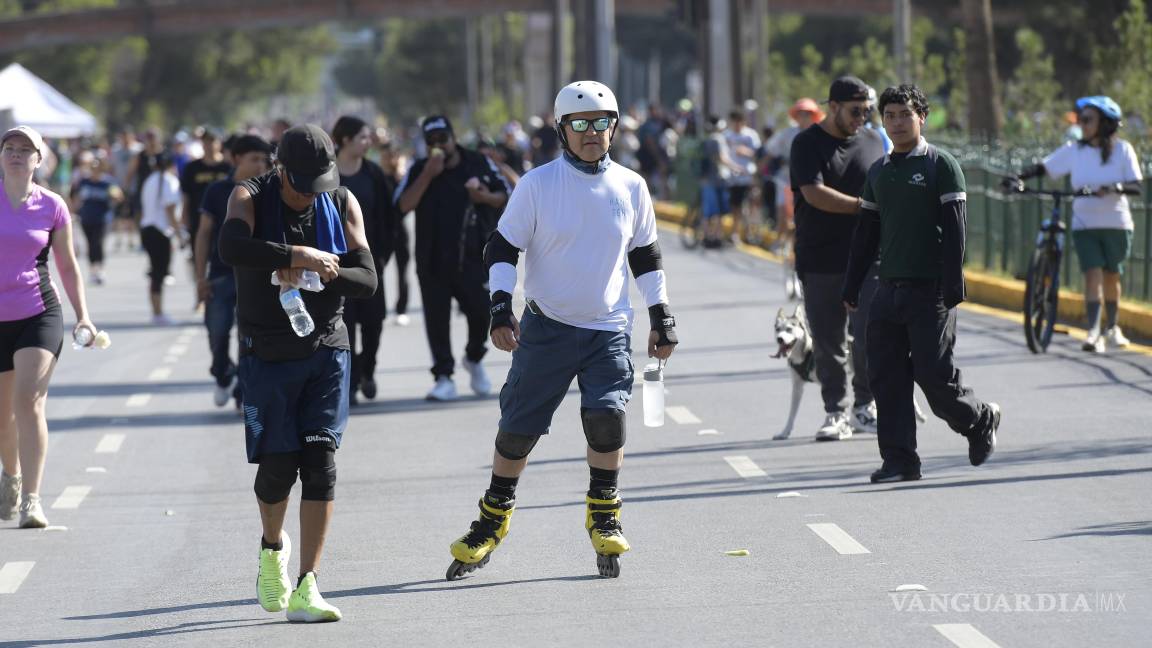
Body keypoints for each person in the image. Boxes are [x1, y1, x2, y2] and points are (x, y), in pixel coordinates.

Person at [444, 80, 679, 581]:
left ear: (614, 127)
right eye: (581, 124)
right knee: (517, 431)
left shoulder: (631, 185)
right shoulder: (537, 185)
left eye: (602, 123)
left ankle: (604, 514)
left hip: (608, 329)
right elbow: (503, 249)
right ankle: (492, 520)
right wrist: (500, 308)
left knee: (606, 420)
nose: (593, 133)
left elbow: (646, 256)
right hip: (547, 328)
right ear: (562, 130)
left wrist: (662, 315)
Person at [218, 124, 377, 622]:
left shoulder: (342, 201)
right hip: (266, 352)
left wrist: (323, 271)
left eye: (319, 182)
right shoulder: (250, 194)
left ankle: (309, 583)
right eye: (301, 183)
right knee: (277, 468)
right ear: (280, 169)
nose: (310, 194)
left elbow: (367, 280)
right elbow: (232, 248)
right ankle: (272, 550)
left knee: (320, 461)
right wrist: (291, 256)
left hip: (326, 347)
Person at [842, 85, 1001, 483]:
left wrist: (953, 283)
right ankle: (900, 460)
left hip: (930, 291)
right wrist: (852, 285)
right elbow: (866, 232)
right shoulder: (879, 171)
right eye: (889, 115)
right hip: (887, 289)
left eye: (904, 115)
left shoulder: (940, 165)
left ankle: (979, 418)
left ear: (921, 117)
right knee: (886, 376)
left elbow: (956, 228)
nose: (896, 122)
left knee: (934, 378)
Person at [1, 126, 98, 528]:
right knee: (2, 413)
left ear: (40, 160)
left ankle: (33, 500)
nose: (17, 154)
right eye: (10, 148)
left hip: (38, 313)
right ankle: (12, 478)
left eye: (27, 150)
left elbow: (67, 265)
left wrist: (84, 315)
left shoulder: (52, 206)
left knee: (28, 402)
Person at [789, 76, 887, 441]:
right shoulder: (807, 143)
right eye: (855, 110)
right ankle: (836, 411)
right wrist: (864, 208)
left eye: (867, 110)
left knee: (868, 334)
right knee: (829, 342)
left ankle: (865, 405)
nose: (862, 117)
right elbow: (814, 194)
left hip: (869, 257)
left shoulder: (875, 140)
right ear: (833, 107)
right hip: (821, 258)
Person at [1005, 96, 1142, 353]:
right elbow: (1044, 168)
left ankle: (1111, 326)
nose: (1082, 124)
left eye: (1088, 119)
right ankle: (1093, 332)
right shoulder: (1074, 150)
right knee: (1092, 274)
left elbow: (1136, 185)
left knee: (1112, 275)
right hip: (1084, 224)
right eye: (1081, 119)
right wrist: (1017, 176)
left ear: (1105, 124)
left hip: (1117, 224)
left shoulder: (1123, 150)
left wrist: (1114, 187)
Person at [396, 115, 510, 401]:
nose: (439, 147)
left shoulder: (477, 162)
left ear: (453, 138)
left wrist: (483, 197)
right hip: (432, 258)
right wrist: (427, 175)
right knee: (437, 320)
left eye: (443, 140)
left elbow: (506, 195)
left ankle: (474, 356)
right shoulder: (420, 168)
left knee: (481, 312)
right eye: (431, 142)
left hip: (472, 256)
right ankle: (444, 376)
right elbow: (402, 205)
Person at [195, 134, 272, 409]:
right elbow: (203, 234)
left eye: (265, 159)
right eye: (255, 159)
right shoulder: (217, 190)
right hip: (220, 275)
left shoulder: (269, 191)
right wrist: (200, 277)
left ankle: (242, 388)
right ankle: (222, 372)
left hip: (255, 278)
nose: (261, 165)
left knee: (248, 337)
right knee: (217, 333)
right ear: (237, 158)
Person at [332, 115, 398, 405]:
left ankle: (367, 369)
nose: (368, 142)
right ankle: (350, 380)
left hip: (370, 264)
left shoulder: (372, 174)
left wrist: (382, 254)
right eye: (362, 137)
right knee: (345, 324)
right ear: (345, 140)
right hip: (335, 267)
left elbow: (388, 216)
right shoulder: (327, 174)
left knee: (373, 323)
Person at [181, 129, 233, 299]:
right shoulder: (192, 168)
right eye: (206, 142)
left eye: (212, 141)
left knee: (221, 258)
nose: (209, 145)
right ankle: (200, 291)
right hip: (199, 220)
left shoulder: (227, 167)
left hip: (223, 221)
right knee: (199, 257)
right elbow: (186, 195)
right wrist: (184, 217)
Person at [139, 153, 183, 325]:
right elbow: (170, 209)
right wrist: (179, 232)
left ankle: (157, 311)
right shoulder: (169, 181)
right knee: (158, 272)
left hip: (147, 228)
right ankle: (157, 312)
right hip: (160, 230)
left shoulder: (149, 180)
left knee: (155, 271)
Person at [70, 154, 123, 285]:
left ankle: (100, 269)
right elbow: (76, 197)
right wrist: (73, 211)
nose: (94, 170)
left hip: (102, 218)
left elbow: (119, 197)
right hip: (86, 217)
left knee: (98, 243)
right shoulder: (84, 181)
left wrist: (115, 197)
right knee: (89, 243)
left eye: (97, 168)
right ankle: (92, 270)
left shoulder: (108, 182)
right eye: (92, 168)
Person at [377, 137, 411, 327]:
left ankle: (401, 308)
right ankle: (379, 307)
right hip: (383, 229)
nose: (388, 159)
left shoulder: (402, 178)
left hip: (400, 229)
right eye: (385, 156)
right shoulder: (377, 176)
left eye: (392, 156)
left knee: (402, 270)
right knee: (378, 268)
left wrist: (400, 175)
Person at [724, 109, 762, 241]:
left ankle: (751, 230)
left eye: (739, 122)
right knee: (736, 205)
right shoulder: (726, 135)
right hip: (733, 177)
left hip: (748, 175)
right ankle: (735, 232)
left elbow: (758, 154)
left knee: (753, 202)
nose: (736, 125)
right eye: (734, 122)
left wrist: (746, 151)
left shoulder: (750, 135)